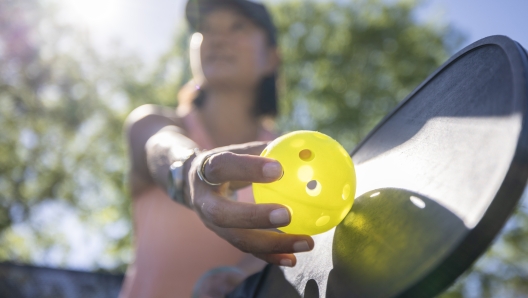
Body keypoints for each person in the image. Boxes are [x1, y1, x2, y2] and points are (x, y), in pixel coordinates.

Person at [119, 0, 314, 297]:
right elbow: (159, 145)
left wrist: (250, 273)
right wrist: (190, 170)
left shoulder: (291, 159)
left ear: (272, 58)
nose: (218, 38)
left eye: (238, 27)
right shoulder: (151, 122)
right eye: (205, 28)